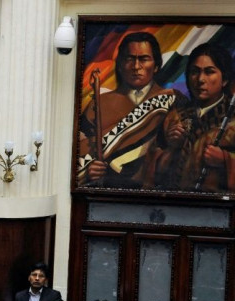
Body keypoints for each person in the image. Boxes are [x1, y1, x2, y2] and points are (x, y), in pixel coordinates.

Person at [77, 32, 185, 189]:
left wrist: (177, 142)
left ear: (156, 66)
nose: (136, 67)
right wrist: (89, 170)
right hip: (107, 194)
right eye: (129, 59)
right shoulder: (99, 104)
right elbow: (78, 148)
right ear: (120, 65)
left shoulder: (173, 100)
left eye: (144, 59)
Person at [167, 42, 235, 192]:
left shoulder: (232, 116)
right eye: (194, 72)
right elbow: (150, 172)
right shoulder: (175, 114)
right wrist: (171, 146)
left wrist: (225, 159)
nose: (200, 79)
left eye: (209, 72)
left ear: (224, 79)